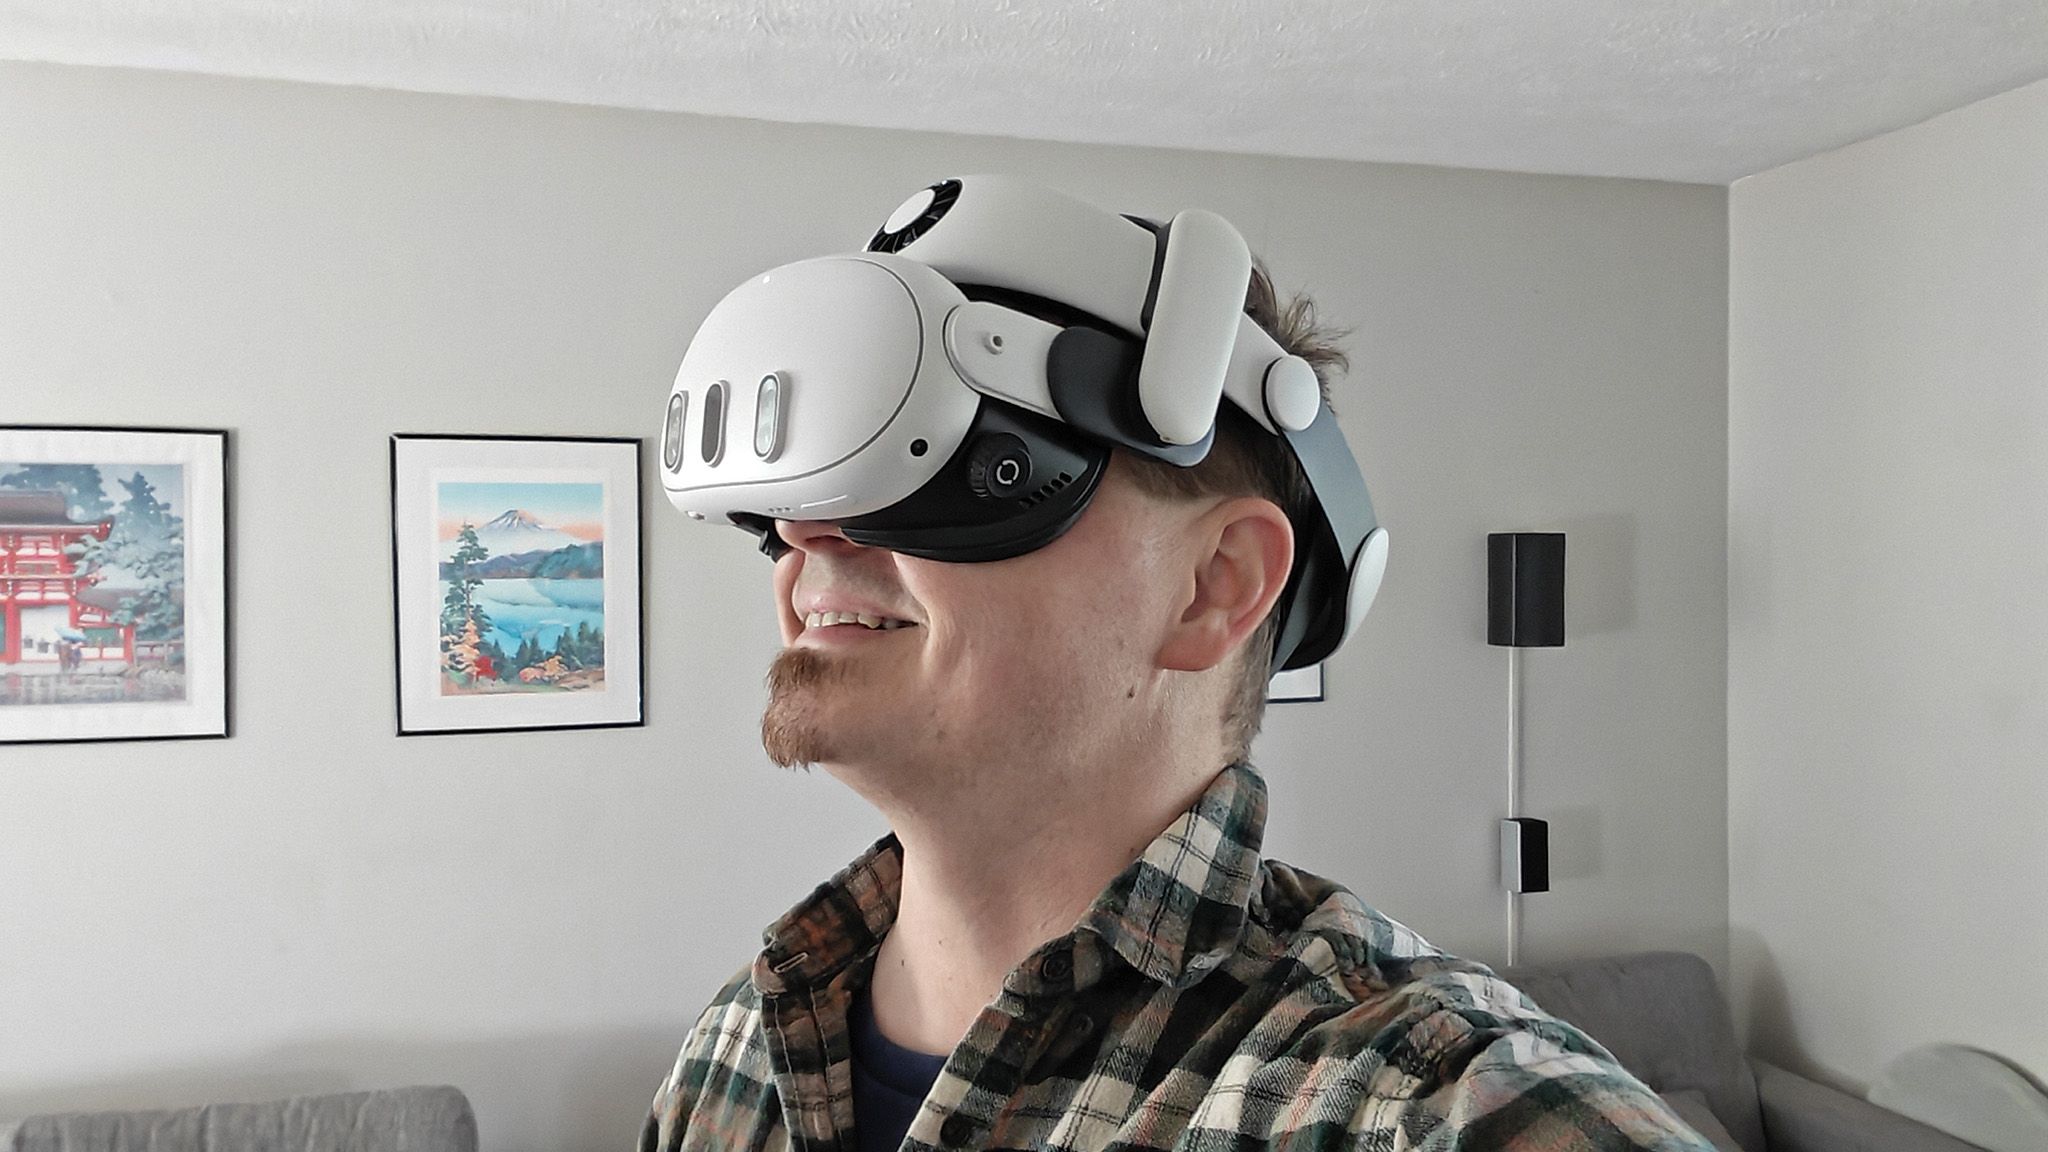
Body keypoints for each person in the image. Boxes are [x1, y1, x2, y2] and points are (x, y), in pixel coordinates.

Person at [641, 252, 1715, 1151]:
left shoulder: (1447, 1113)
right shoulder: (735, 1054)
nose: (805, 533)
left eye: (950, 463)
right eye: (826, 480)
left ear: (1215, 585)